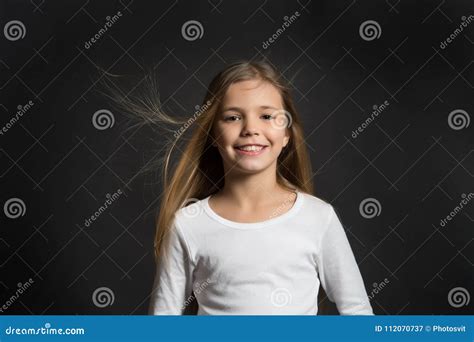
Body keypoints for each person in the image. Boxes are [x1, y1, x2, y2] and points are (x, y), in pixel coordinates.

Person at [148, 61, 373, 315]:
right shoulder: (189, 223)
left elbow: (358, 315)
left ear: (287, 133)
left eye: (266, 116)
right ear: (213, 134)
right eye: (233, 117)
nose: (251, 129)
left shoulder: (318, 218)